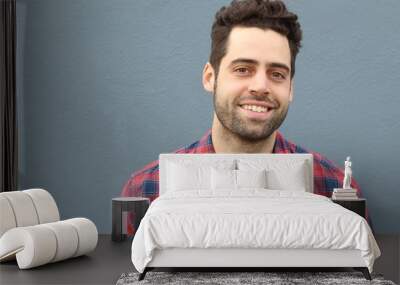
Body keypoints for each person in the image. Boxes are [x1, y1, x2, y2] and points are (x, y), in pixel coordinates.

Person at [121, 0, 362, 234]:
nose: (260, 86)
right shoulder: (145, 188)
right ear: (210, 77)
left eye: (277, 74)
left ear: (290, 89)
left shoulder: (333, 185)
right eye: (242, 69)